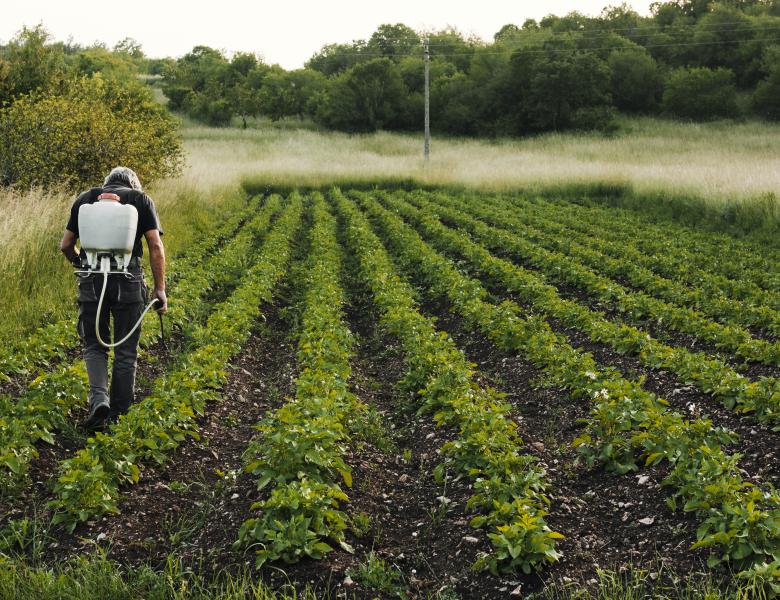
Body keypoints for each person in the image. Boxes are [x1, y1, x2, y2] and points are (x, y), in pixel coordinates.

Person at [59, 167, 167, 430]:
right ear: (132, 183)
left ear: (107, 184)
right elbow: (155, 245)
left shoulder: (85, 199)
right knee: (125, 350)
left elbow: (65, 244)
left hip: (91, 280)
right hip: (128, 281)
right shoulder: (141, 200)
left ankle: (99, 402)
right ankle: (119, 416)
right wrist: (160, 289)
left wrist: (80, 263)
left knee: (94, 345)